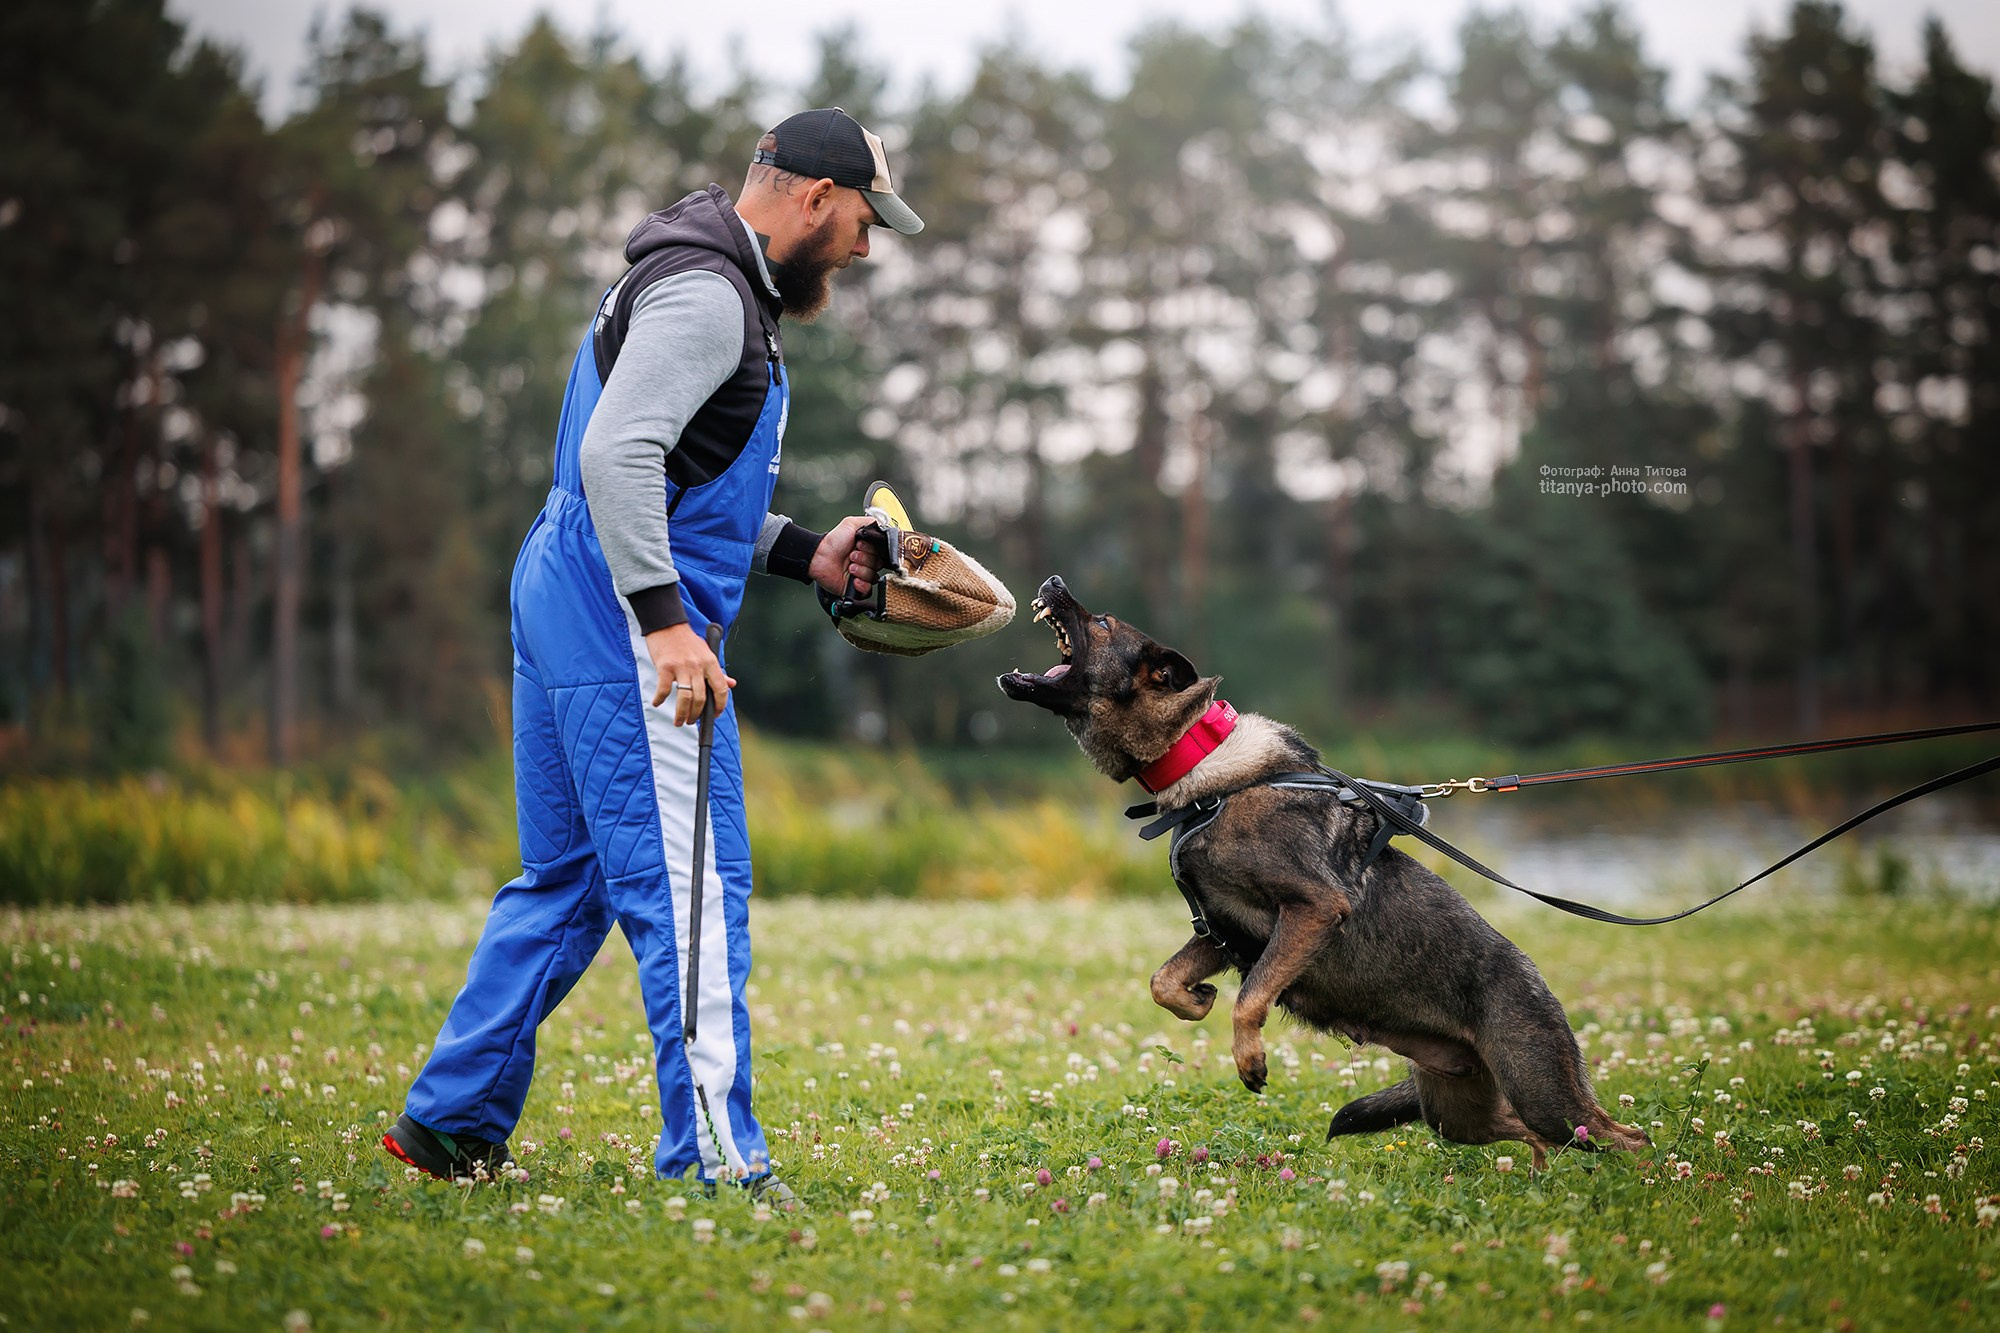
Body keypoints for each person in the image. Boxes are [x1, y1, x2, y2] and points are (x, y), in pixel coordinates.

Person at [383, 109, 924, 1199]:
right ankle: (720, 1162)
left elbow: (674, 488)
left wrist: (806, 553)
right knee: (693, 887)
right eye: (865, 220)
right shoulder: (708, 297)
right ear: (815, 198)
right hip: (619, 612)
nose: (865, 248)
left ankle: (451, 1121)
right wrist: (665, 622)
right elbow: (615, 454)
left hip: (568, 582)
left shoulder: (707, 280)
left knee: (570, 878)